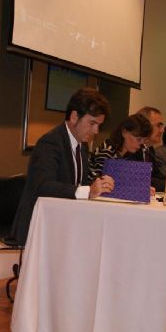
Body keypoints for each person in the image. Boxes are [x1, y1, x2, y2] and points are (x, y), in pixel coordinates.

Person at [11, 87, 114, 246]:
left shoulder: (82, 145)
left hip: (65, 221)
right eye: (92, 123)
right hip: (40, 226)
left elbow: (78, 182)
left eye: (98, 125)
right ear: (74, 117)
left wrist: (101, 184)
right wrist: (88, 191)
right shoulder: (50, 143)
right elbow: (44, 186)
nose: (96, 131)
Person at [88, 113, 151, 179]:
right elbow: (98, 180)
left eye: (144, 140)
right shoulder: (107, 151)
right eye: (138, 139)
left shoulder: (127, 154)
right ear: (124, 133)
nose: (141, 144)